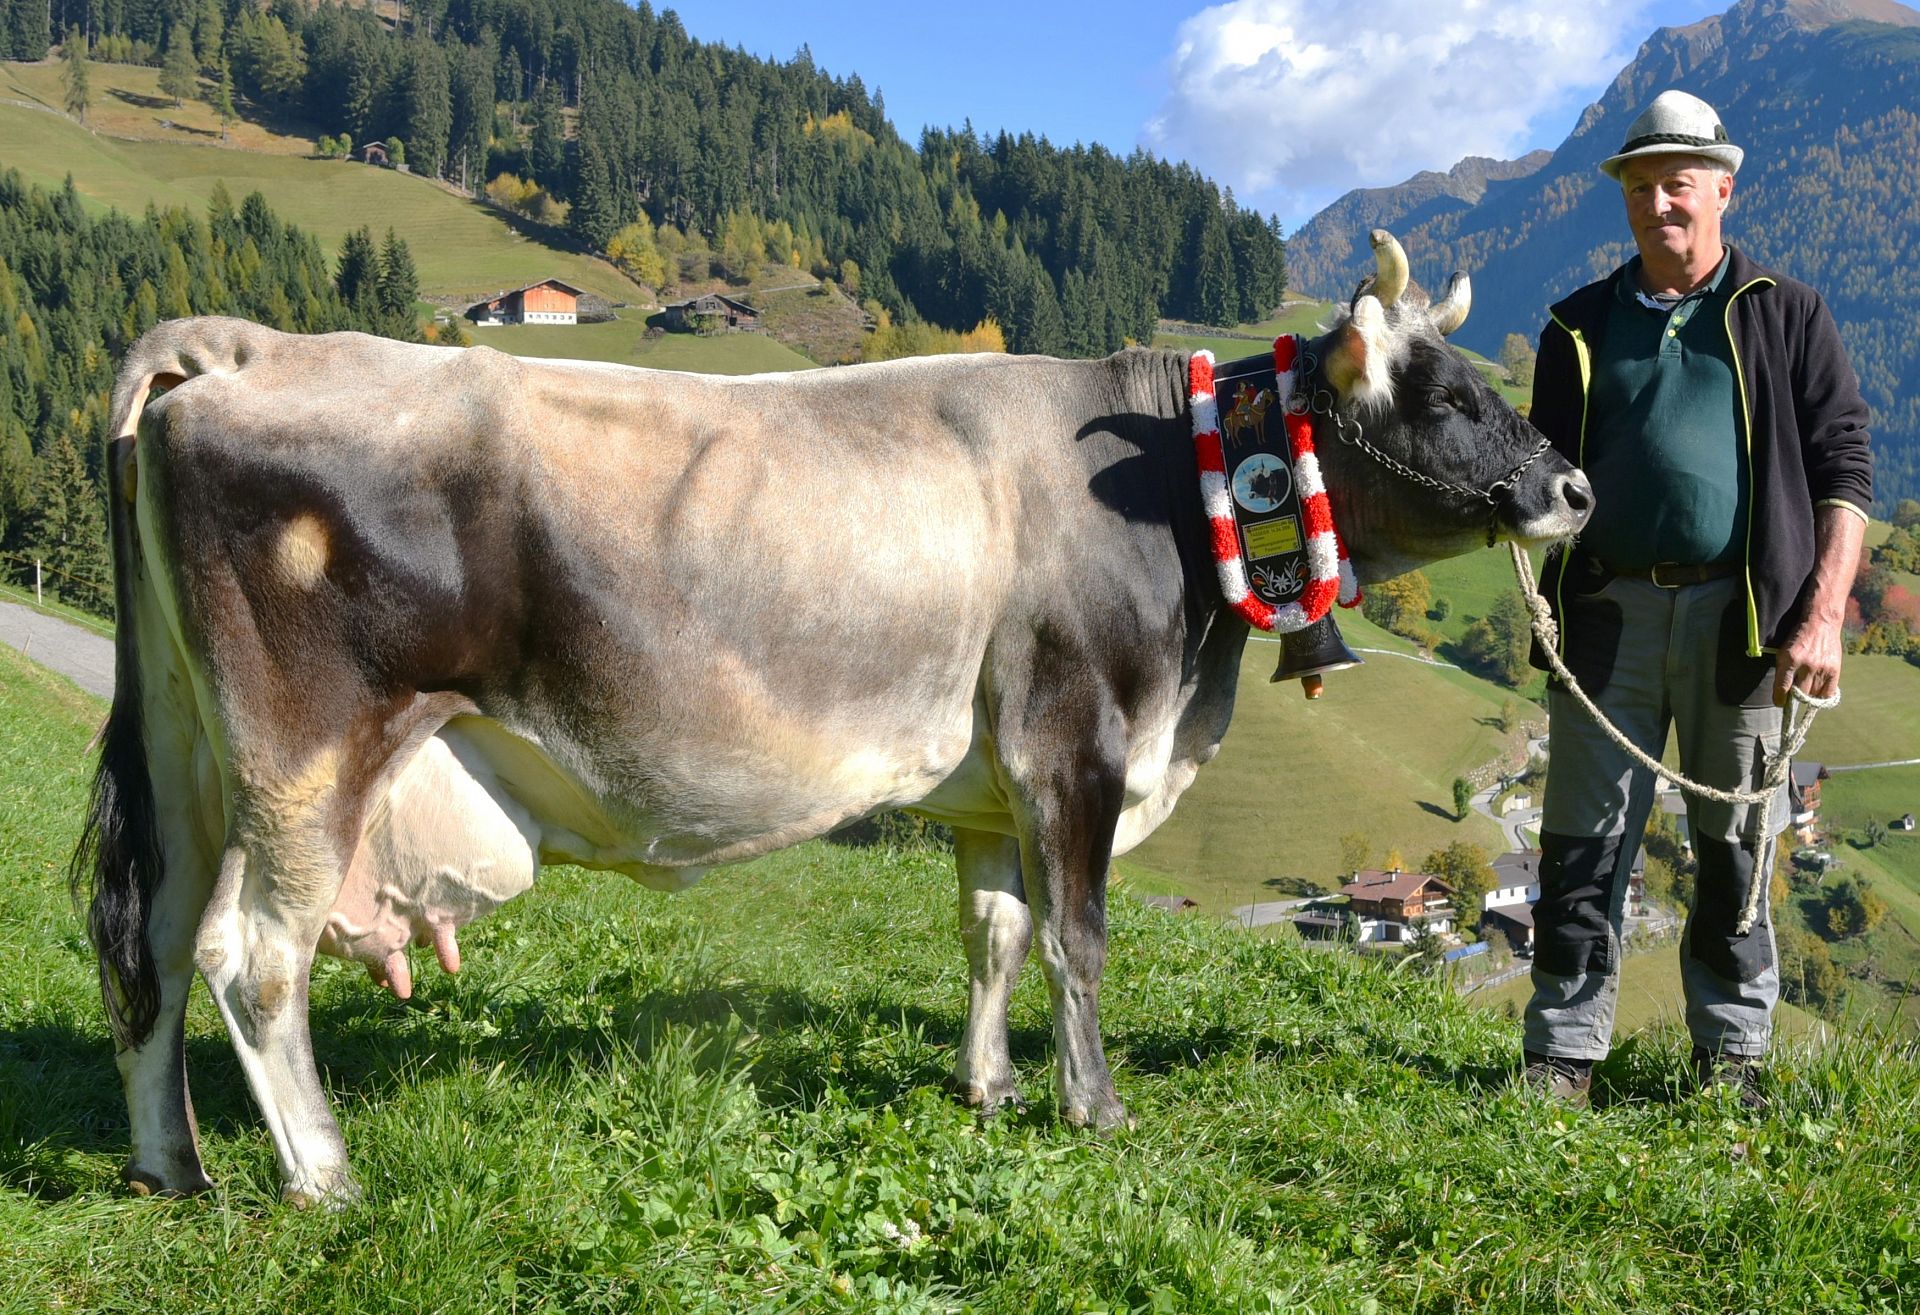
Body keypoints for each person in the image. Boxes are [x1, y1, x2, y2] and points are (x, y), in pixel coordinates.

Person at [1522, 90, 1873, 1107]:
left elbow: (1846, 471)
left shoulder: (1787, 313)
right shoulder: (1575, 329)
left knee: (1736, 847)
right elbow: (1538, 480)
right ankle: (1563, 1054)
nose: (1659, 203)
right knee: (1583, 845)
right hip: (1605, 621)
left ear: (1724, 188)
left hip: (1745, 625)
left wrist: (1821, 616)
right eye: (1640, 187)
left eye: (1679, 183)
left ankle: (1731, 1057)